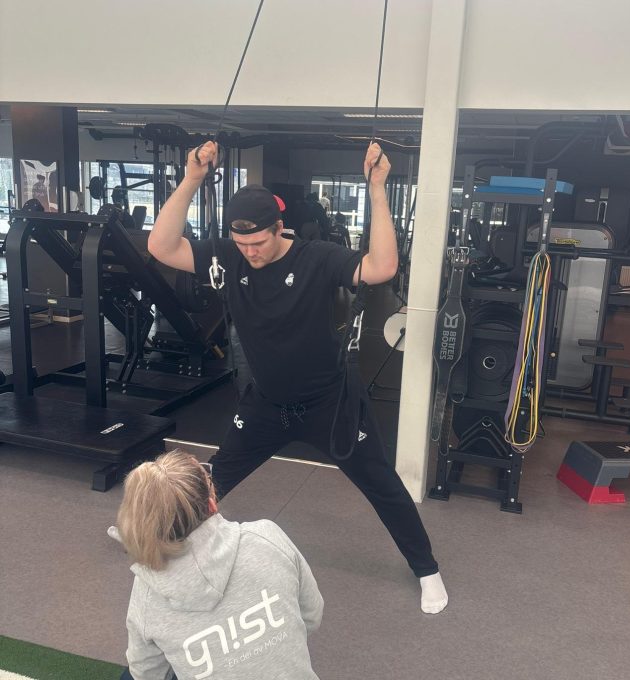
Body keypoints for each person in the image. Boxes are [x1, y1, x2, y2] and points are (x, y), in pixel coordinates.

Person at [147, 141, 448, 615]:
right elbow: (162, 247)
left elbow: (382, 267)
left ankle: (427, 569)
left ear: (279, 228)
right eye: (242, 244)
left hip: (330, 404)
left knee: (382, 484)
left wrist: (377, 189)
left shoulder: (316, 257)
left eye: (258, 243)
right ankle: (159, 536)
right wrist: (191, 179)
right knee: (213, 479)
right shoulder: (228, 257)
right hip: (266, 404)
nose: (250, 253)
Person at [116, 449, 324, 680]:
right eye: (208, 476)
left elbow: (145, 674)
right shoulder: (266, 536)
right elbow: (311, 615)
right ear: (211, 505)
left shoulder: (147, 591)